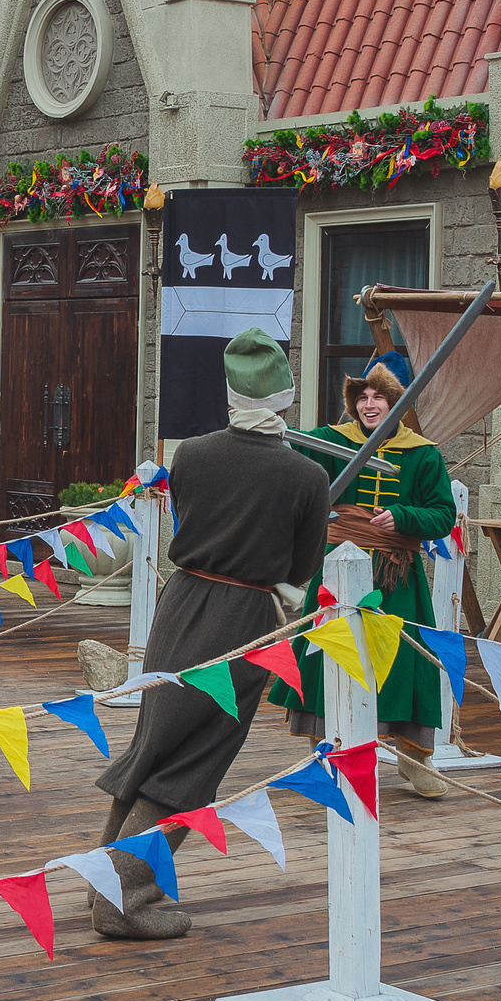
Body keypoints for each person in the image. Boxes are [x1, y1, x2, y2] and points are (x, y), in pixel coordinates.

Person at [92, 329, 329, 939]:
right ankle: (124, 897)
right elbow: (300, 570)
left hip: (180, 606)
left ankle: (102, 883)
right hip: (244, 623)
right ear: (284, 398)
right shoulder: (306, 478)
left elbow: (189, 522)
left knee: (155, 746)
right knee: (194, 763)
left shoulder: (190, 455)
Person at [288, 351, 452, 794]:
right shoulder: (329, 441)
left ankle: (414, 758)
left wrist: (402, 517)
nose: (369, 403)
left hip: (395, 576)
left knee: (404, 665)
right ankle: (326, 755)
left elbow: (442, 516)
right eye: (363, 395)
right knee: (329, 656)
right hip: (337, 572)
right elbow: (289, 451)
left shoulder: (423, 456)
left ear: (398, 403)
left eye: (381, 396)